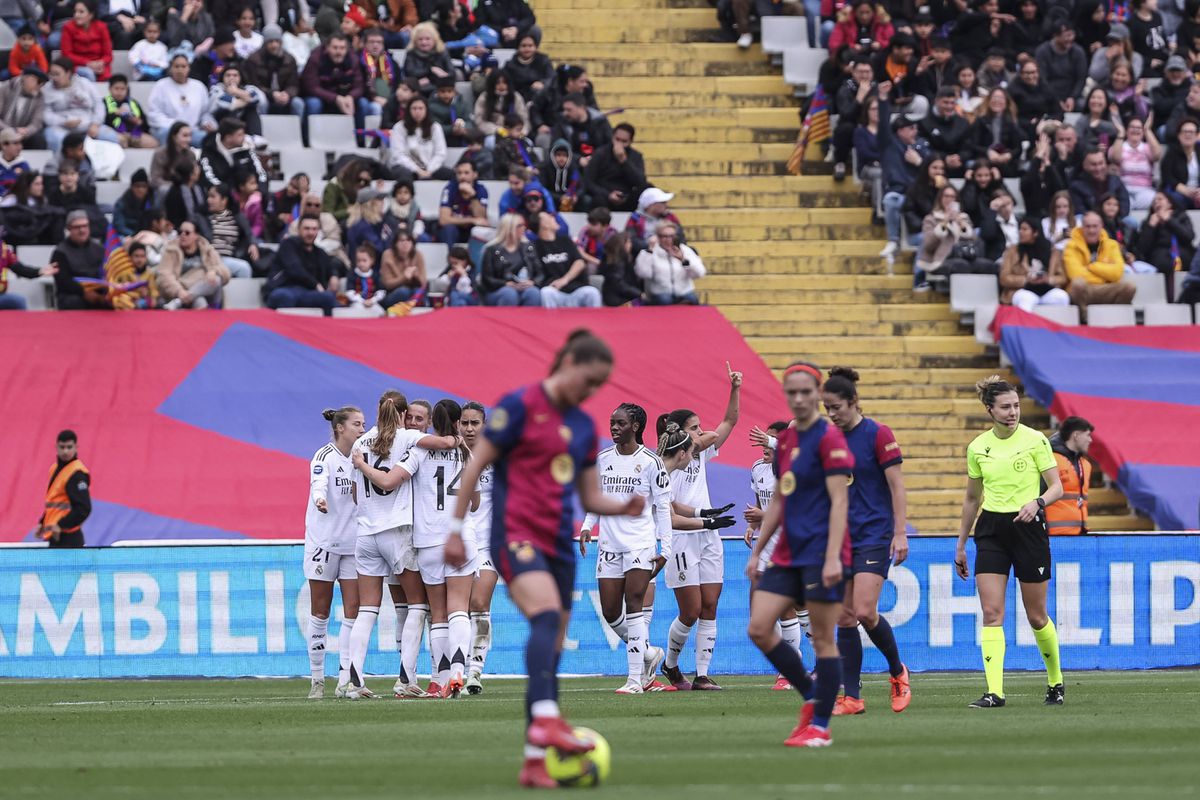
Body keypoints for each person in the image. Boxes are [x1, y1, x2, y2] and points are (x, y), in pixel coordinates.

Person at [443, 330, 643, 787]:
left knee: (550, 645)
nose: (590, 392)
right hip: (516, 535)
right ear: (568, 361)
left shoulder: (584, 426)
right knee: (547, 616)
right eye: (588, 380)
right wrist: (455, 530)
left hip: (557, 543)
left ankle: (535, 762)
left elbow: (588, 493)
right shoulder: (519, 405)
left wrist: (624, 506)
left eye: (598, 386)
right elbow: (475, 465)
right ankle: (548, 720)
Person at [744, 362, 852, 748]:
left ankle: (820, 726)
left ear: (818, 394)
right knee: (758, 627)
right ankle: (812, 696)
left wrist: (833, 558)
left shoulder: (830, 439)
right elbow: (779, 498)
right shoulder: (787, 440)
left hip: (822, 551)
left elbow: (840, 501)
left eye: (807, 392)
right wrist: (758, 550)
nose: (800, 398)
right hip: (787, 553)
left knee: (823, 638)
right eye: (793, 392)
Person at [954, 376, 1065, 709]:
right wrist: (960, 545)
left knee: (1036, 616)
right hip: (991, 529)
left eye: (1016, 406)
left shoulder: (1035, 441)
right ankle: (994, 692)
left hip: (1028, 527)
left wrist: (1038, 503)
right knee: (991, 612)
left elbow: (1056, 487)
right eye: (1005, 407)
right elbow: (972, 499)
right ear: (990, 409)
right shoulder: (978, 447)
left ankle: (1055, 681)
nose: (1012, 412)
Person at [343, 390, 461, 700]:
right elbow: (445, 442)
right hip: (396, 532)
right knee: (418, 605)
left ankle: (354, 681)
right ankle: (406, 679)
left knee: (367, 609)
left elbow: (356, 495)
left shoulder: (359, 444)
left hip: (365, 534)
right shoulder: (407, 437)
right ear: (402, 413)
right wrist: (454, 436)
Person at [820, 367, 911, 716]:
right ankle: (853, 698)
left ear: (854, 402)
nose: (831, 414)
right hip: (840, 537)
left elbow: (897, 485)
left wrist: (900, 532)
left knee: (863, 611)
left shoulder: (877, 434)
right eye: (827, 408)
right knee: (843, 618)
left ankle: (897, 672)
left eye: (837, 407)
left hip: (874, 533)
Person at [577, 403, 673, 694]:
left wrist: (665, 548)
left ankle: (634, 680)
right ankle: (647, 653)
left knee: (634, 605)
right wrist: (586, 526)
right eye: (612, 422)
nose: (614, 427)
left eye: (620, 423)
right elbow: (596, 496)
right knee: (610, 612)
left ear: (635, 426)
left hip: (639, 544)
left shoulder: (651, 462)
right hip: (609, 544)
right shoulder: (602, 459)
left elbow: (663, 507)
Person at [659, 364, 742, 692]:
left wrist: (734, 388)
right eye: (695, 428)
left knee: (710, 604)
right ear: (678, 431)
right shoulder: (664, 464)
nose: (702, 432)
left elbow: (729, 421)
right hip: (682, 537)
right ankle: (670, 664)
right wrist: (703, 515)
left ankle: (703, 674)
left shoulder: (698, 457)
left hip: (708, 535)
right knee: (690, 610)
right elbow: (671, 508)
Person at [304, 407, 365, 699]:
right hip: (323, 544)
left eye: (364, 424)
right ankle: (317, 679)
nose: (362, 429)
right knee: (320, 611)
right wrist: (319, 499)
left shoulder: (361, 457)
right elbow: (318, 484)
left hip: (353, 546)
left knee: (354, 611)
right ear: (340, 427)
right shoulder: (324, 456)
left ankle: (345, 680)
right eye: (357, 424)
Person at [876, 87, 930, 263]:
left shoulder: (922, 147)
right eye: (911, 128)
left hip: (919, 197)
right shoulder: (889, 144)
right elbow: (883, 125)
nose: (915, 131)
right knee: (891, 199)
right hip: (899, 192)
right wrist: (883, 100)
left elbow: (934, 171)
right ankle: (894, 240)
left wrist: (919, 162)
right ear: (900, 131)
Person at [1062, 211, 1137, 312]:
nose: (1091, 230)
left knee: (1130, 286)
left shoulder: (1112, 244)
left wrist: (1092, 267)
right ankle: (1084, 320)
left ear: (1101, 226)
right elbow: (1075, 275)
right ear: (1082, 227)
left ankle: (1115, 319)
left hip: (1107, 288)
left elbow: (1117, 273)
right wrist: (1105, 276)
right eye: (1088, 226)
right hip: (1086, 290)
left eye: (1095, 226)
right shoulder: (1071, 246)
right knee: (1077, 284)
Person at [266, 216, 342, 314]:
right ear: (298, 229)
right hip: (284, 288)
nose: (310, 233)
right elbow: (295, 269)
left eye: (314, 229)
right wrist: (315, 284)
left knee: (328, 298)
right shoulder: (288, 244)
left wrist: (334, 275)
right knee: (284, 297)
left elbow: (334, 263)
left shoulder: (320, 253)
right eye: (307, 228)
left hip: (308, 293)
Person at [42, 56, 118, 153]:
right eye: (51, 74)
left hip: (88, 125)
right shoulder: (46, 89)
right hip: (61, 127)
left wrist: (95, 123)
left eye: (57, 74)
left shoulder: (85, 84)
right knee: (54, 137)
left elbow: (99, 105)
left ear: (68, 73)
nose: (53, 78)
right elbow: (45, 114)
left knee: (110, 137)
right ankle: (61, 166)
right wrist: (63, 122)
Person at [1134, 192, 1195, 301]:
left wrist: (1169, 220)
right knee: (1165, 263)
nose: (1157, 202)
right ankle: (1170, 300)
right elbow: (1142, 248)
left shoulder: (1181, 217)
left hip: (1183, 252)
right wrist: (1151, 227)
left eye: (1160, 199)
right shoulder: (1148, 222)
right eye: (1155, 201)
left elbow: (1189, 236)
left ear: (1170, 203)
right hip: (1160, 256)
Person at [156, 220, 230, 309]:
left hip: (206, 290)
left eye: (187, 233)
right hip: (180, 291)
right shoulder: (171, 250)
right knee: (200, 301)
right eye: (180, 232)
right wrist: (178, 291)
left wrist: (213, 271)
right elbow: (164, 275)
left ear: (196, 235)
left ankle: (178, 302)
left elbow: (226, 273)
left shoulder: (207, 250)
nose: (182, 235)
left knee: (216, 279)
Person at [1000, 218, 1071, 311]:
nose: (1020, 232)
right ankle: (1026, 326)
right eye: (1020, 229)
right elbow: (1004, 278)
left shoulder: (1052, 252)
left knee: (1062, 297)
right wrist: (1027, 280)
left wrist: (1048, 279)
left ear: (1035, 232)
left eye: (1025, 229)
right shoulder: (1012, 251)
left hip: (1046, 290)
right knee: (1026, 299)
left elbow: (1063, 278)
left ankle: (1053, 325)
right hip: (1023, 290)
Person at [533, 211, 600, 308]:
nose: (553, 218)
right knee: (546, 292)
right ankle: (550, 323)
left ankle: (594, 323)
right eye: (549, 217)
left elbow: (580, 262)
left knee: (592, 292)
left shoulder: (566, 240)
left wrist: (565, 279)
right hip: (554, 291)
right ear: (544, 225)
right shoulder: (535, 247)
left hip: (576, 290)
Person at [37, 430, 92, 548]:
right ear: (56, 447)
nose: (65, 451)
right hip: (55, 536)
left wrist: (61, 525)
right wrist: (42, 522)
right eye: (62, 447)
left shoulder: (77, 474)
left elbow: (83, 508)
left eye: (69, 447)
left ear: (76, 448)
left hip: (69, 538)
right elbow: (54, 501)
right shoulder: (54, 468)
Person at [147, 54, 216, 145]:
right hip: (169, 130)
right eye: (176, 66)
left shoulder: (199, 86)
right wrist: (177, 128)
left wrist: (206, 123)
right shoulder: (161, 85)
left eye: (183, 66)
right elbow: (154, 113)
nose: (180, 70)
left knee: (210, 139)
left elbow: (205, 113)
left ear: (189, 68)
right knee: (166, 134)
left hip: (192, 132)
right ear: (171, 68)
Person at [300, 33, 365, 126]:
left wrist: (351, 97)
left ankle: (360, 139)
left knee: (363, 103)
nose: (338, 52)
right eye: (335, 47)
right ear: (327, 47)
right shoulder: (316, 58)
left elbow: (359, 86)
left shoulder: (353, 59)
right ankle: (308, 139)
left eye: (342, 48)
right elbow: (311, 87)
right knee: (314, 104)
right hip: (321, 97)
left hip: (345, 97)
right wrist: (335, 98)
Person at [634, 221, 704, 305]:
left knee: (693, 299)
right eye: (664, 236)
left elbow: (700, 273)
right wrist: (650, 251)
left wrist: (683, 260)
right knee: (665, 300)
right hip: (660, 293)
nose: (668, 240)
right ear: (657, 237)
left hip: (684, 292)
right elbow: (643, 274)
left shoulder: (685, 250)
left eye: (671, 236)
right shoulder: (649, 252)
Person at [241, 24, 304, 118]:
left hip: (284, 95)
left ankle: (298, 131)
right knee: (262, 103)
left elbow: (294, 84)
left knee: (298, 103)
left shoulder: (289, 59)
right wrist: (272, 94)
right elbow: (254, 84)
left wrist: (287, 94)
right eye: (270, 42)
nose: (274, 45)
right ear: (265, 43)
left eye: (277, 41)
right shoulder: (253, 60)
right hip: (264, 95)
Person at [1046, 417, 1095, 536]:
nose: (1090, 440)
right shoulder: (1049, 460)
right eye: (1087, 435)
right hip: (1052, 536)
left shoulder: (1085, 464)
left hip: (1079, 534)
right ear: (1076, 435)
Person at [583, 122, 645, 212]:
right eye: (617, 139)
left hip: (626, 197)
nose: (619, 144)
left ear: (630, 141)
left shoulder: (636, 156)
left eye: (624, 141)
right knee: (598, 201)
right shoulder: (600, 153)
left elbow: (640, 182)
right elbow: (588, 182)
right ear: (612, 137)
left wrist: (624, 161)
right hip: (604, 196)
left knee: (648, 189)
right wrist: (608, 195)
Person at [50, 209, 105, 310]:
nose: (82, 230)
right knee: (75, 302)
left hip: (98, 290)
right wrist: (84, 292)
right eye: (77, 227)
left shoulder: (99, 249)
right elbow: (63, 281)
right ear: (69, 229)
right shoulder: (60, 252)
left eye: (85, 226)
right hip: (72, 294)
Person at [389, 95, 452, 180]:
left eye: (421, 108)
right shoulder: (399, 127)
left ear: (426, 110)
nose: (417, 112)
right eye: (414, 108)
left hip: (430, 167)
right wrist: (417, 170)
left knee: (451, 175)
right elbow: (398, 155)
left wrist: (429, 170)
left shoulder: (435, 127)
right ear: (408, 110)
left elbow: (441, 153)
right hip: (405, 168)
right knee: (405, 176)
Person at [198, 117, 268, 191]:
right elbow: (209, 178)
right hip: (223, 197)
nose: (244, 137)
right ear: (228, 138)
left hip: (248, 194)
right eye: (240, 135)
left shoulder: (246, 148)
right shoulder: (208, 151)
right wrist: (230, 196)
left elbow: (261, 174)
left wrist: (261, 192)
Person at [1110, 115, 1161, 210]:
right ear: (1127, 130)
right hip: (1123, 190)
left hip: (1145, 190)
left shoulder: (1147, 148)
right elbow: (1115, 158)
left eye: (1139, 128)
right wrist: (1121, 133)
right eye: (1132, 127)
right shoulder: (1120, 145)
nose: (1135, 130)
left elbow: (1157, 155)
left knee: (1157, 201)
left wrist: (1147, 130)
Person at [1036, 22, 1088, 113]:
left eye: (1072, 35)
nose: (1070, 39)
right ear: (1056, 36)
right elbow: (1042, 80)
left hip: (1072, 95)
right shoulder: (1042, 51)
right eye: (1067, 36)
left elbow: (1081, 78)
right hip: (1049, 95)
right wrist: (1056, 100)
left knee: (1083, 105)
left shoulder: (1078, 52)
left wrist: (1072, 97)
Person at [438, 159, 489, 246]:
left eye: (466, 173)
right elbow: (443, 220)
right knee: (449, 229)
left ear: (475, 174)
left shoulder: (481, 190)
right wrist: (472, 220)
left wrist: (473, 196)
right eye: (459, 173)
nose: (462, 177)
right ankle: (452, 257)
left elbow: (481, 218)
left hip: (470, 230)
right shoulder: (450, 188)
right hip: (454, 230)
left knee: (481, 229)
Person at [61, 1, 112, 81]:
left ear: (91, 15)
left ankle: (107, 94)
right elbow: (67, 54)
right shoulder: (68, 27)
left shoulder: (102, 27)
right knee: (88, 73)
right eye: (75, 11)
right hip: (77, 66)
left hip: (99, 66)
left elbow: (108, 55)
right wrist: (87, 63)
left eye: (81, 12)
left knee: (107, 77)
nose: (76, 15)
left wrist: (101, 63)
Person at [0, 67, 48, 149]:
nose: (40, 86)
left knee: (38, 139)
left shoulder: (39, 96)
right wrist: (10, 131)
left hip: (24, 133)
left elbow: (37, 122)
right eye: (38, 82)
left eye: (42, 84)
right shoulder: (5, 89)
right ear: (27, 78)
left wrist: (26, 131)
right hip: (3, 129)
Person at [379, 227, 425, 308]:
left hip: (412, 291)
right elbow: (387, 284)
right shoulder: (388, 255)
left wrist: (415, 276)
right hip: (391, 293)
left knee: (418, 291)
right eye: (402, 241)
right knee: (404, 291)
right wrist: (404, 277)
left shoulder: (418, 255)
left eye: (408, 240)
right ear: (395, 243)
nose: (405, 244)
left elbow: (423, 283)